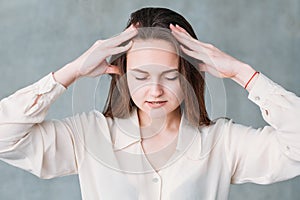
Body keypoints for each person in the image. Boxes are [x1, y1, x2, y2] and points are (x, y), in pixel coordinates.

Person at [0, 7, 300, 200]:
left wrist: (244, 74)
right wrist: (71, 71)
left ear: (187, 75)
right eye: (141, 76)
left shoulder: (222, 142)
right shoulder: (89, 135)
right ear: (123, 75)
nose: (154, 90)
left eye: (170, 76)